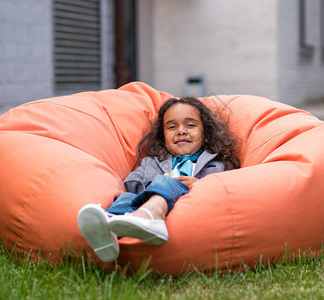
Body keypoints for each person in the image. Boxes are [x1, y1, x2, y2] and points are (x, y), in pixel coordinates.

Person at [77, 96, 240, 262]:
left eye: (190, 125)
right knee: (126, 197)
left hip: (190, 208)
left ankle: (150, 215)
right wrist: (152, 185)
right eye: (172, 127)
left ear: (206, 135)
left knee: (168, 181)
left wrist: (199, 186)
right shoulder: (151, 163)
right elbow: (130, 184)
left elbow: (227, 192)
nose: (181, 131)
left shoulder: (217, 164)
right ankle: (108, 227)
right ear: (163, 137)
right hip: (148, 199)